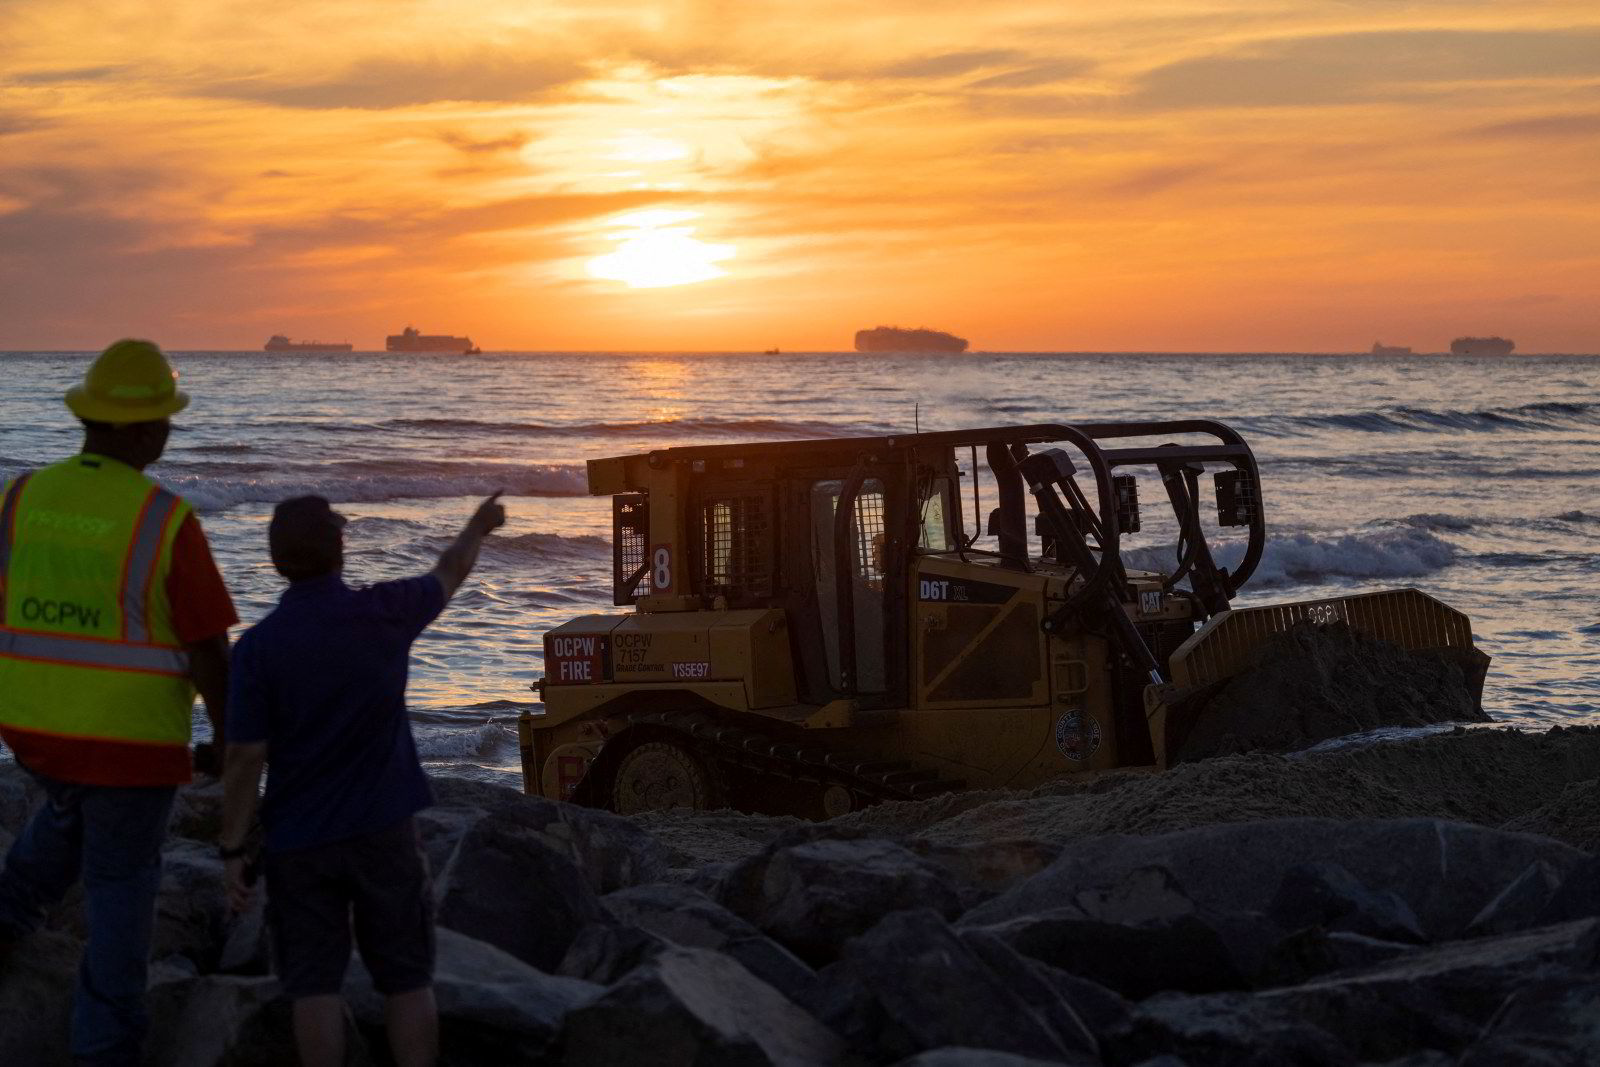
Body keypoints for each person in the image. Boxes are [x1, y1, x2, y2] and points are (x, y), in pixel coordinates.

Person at [0, 339, 235, 1066]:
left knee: (67, 816)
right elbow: (208, 648)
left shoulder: (23, 496)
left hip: (38, 733)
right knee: (120, 901)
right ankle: (103, 1049)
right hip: (131, 748)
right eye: (163, 420)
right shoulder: (164, 519)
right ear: (138, 430)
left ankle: (6, 921)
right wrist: (227, 740)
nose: (168, 432)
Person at [219, 490, 506, 1067]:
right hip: (383, 827)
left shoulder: (257, 649)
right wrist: (478, 525)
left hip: (300, 840)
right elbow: (449, 573)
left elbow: (246, 758)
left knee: (314, 986)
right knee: (406, 978)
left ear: (276, 561)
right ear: (339, 552)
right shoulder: (383, 612)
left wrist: (232, 848)